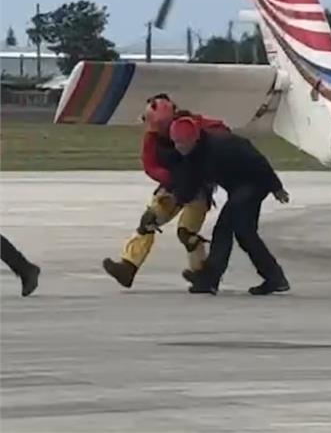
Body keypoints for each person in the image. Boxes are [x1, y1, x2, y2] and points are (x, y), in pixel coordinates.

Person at [101, 94, 227, 289]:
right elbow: (150, 165)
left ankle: (203, 276)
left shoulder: (195, 125)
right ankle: (128, 267)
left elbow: (220, 129)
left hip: (198, 190)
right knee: (149, 220)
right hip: (172, 189)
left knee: (187, 233)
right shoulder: (152, 138)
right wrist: (171, 180)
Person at [170, 116, 291, 296]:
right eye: (175, 142)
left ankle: (209, 280)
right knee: (245, 233)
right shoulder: (192, 155)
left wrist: (276, 187)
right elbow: (191, 183)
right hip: (239, 188)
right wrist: (177, 200)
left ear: (194, 139)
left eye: (182, 143)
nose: (178, 147)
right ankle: (275, 278)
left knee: (224, 227)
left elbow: (257, 160)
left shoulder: (220, 146)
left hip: (254, 183)